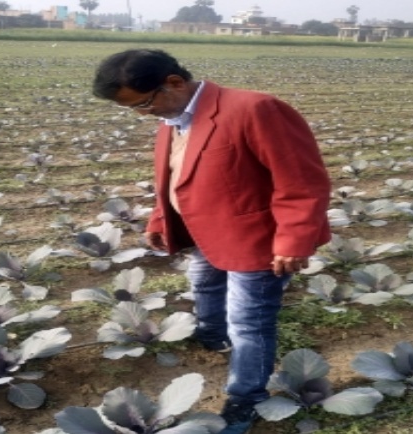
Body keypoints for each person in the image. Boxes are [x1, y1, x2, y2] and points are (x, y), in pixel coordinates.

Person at [92, 49, 331, 434]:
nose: (143, 114)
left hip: (258, 240)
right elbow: (173, 175)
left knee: (249, 322)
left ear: (174, 82)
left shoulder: (255, 109)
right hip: (207, 230)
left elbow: (302, 181)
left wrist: (294, 240)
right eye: (133, 109)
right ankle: (211, 334)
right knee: (203, 283)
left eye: (144, 104)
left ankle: (247, 397)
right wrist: (160, 217)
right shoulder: (173, 116)